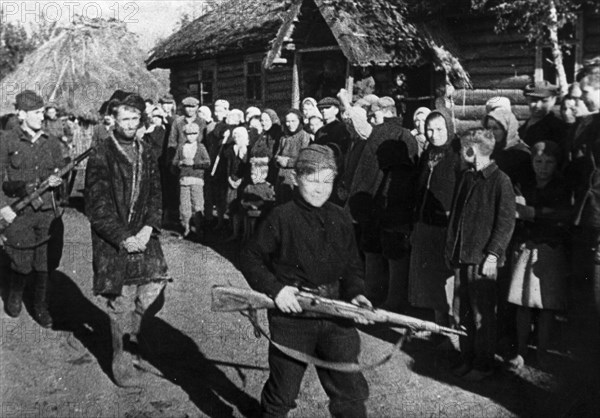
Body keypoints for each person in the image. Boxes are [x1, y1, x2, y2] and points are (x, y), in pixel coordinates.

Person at [239, 144, 372, 418]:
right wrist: (276, 291)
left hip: (336, 316)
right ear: (297, 178)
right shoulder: (280, 216)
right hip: (293, 318)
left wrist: (357, 293)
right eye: (312, 180)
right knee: (282, 394)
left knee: (350, 392)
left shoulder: (340, 217)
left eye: (327, 181)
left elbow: (352, 265)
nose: (319, 188)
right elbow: (251, 257)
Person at [84, 93, 169, 387]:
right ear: (113, 121)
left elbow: (157, 195)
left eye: (135, 118)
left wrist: (148, 229)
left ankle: (136, 340)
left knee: (154, 286)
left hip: (145, 235)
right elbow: (97, 207)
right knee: (119, 301)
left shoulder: (147, 152)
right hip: (114, 239)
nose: (130, 124)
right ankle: (121, 359)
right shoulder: (101, 154)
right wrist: (124, 238)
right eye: (125, 119)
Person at [447, 128, 516, 381]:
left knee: (481, 315)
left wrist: (493, 255)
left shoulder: (501, 181)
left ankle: (483, 364)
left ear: (472, 150)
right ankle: (467, 358)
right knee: (462, 312)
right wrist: (451, 250)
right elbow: (456, 217)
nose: (461, 152)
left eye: (463, 148)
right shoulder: (467, 178)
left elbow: (506, 223)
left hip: (482, 260)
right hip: (463, 257)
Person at [0, 90, 65, 328]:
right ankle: (15, 294)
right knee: (21, 259)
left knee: (44, 262)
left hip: (47, 211)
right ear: (21, 114)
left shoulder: (52, 142)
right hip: (19, 213)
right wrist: (3, 207)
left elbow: (61, 170)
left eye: (42, 112)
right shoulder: (7, 140)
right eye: (36, 113)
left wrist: (59, 181)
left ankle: (40, 306)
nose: (42, 117)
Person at [507, 141, 571, 370]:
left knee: (546, 305)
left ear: (557, 164)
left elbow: (565, 214)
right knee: (523, 303)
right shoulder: (525, 184)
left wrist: (535, 213)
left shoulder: (562, 187)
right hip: (526, 247)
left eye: (549, 162)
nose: (543, 167)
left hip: (549, 249)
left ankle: (542, 351)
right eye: (538, 161)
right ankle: (521, 351)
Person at [348, 96, 418, 306]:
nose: (372, 118)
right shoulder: (406, 135)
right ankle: (391, 301)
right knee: (391, 253)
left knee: (376, 251)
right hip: (393, 205)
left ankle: (377, 297)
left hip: (378, 204)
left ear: (387, 112)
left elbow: (368, 172)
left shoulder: (380, 133)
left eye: (374, 114)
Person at [408, 111, 461, 329]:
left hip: (446, 225)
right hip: (424, 221)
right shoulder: (428, 154)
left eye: (439, 129)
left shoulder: (456, 156)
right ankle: (438, 325)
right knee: (430, 277)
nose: (434, 134)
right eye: (430, 129)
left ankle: (452, 329)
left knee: (446, 279)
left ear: (449, 128)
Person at [172, 123, 211, 238]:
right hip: (184, 180)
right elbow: (174, 161)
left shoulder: (201, 147)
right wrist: (180, 163)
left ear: (198, 134)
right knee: (184, 206)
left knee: (198, 205)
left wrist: (194, 163)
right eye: (188, 134)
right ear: (184, 135)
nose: (191, 136)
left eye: (193, 134)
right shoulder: (181, 147)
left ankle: (199, 229)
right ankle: (186, 228)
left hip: (197, 180)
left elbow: (207, 162)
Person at [483, 106, 534, 189]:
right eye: (488, 128)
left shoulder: (521, 153)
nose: (490, 133)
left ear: (507, 130)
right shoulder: (490, 150)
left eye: (496, 128)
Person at [274, 109, 311, 204]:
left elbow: (305, 160)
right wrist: (278, 159)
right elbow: (276, 155)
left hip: (295, 179)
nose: (289, 124)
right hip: (281, 179)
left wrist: (288, 162)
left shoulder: (305, 137)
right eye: (287, 121)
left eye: (293, 121)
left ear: (299, 121)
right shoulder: (284, 137)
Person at [519, 81, 567, 149]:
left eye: (544, 101)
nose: (538, 105)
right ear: (527, 100)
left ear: (554, 100)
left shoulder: (557, 128)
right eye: (533, 100)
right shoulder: (523, 127)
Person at [223, 126, 250, 241]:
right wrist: (229, 179)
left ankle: (244, 233)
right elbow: (227, 166)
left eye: (239, 136)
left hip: (243, 181)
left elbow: (247, 167)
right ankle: (234, 232)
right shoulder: (230, 150)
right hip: (232, 180)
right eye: (235, 136)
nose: (237, 138)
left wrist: (242, 180)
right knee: (232, 207)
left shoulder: (248, 150)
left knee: (242, 207)